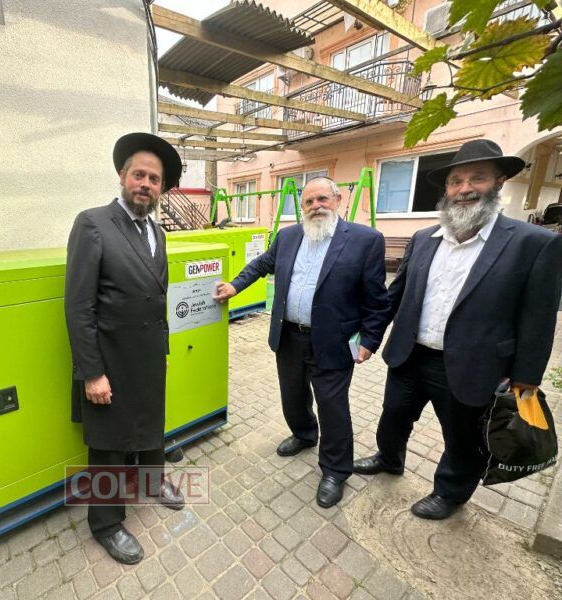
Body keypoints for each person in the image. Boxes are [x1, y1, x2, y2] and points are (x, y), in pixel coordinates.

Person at [354, 139, 562, 520]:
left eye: (477, 178)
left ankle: (450, 493)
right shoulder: (423, 239)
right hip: (409, 355)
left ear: (498, 182)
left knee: (462, 437)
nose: (465, 189)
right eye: (456, 181)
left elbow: (539, 319)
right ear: (447, 190)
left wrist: (525, 380)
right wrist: (369, 338)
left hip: (475, 365)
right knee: (393, 415)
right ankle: (389, 458)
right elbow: (393, 297)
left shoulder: (535, 243)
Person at [214, 177, 388, 508]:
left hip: (337, 340)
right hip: (289, 334)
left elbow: (377, 299)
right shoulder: (289, 236)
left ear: (337, 200)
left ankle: (336, 470)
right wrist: (236, 286)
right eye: (308, 202)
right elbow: (263, 264)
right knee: (292, 395)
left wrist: (369, 340)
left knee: (333, 406)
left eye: (322, 198)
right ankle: (305, 434)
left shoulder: (366, 240)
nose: (315, 206)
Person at [64, 132, 184, 564]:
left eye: (155, 179)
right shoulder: (93, 223)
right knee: (110, 443)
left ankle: (151, 481)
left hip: (149, 354)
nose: (146, 183)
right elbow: (78, 306)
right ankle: (107, 524)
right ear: (122, 175)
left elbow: (159, 295)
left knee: (153, 423)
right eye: (139, 174)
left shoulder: (158, 231)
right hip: (110, 359)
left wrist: (163, 347)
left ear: (161, 189)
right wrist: (91, 372)